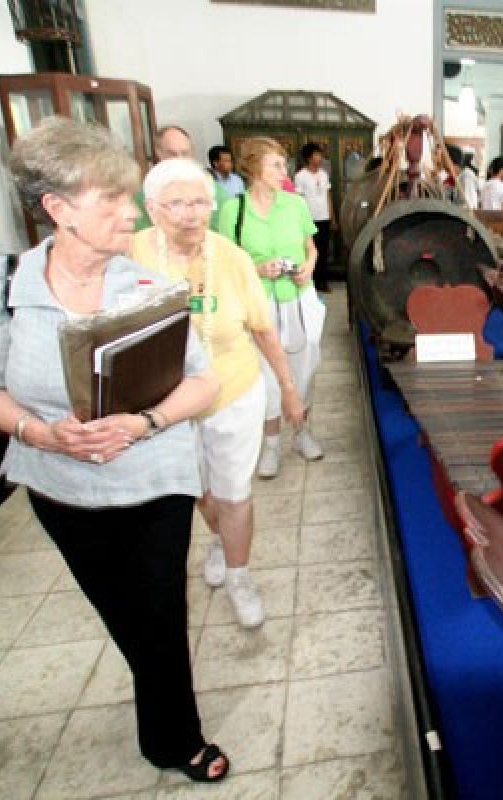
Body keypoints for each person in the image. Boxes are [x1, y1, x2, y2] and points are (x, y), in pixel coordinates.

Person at [0, 117, 229, 783]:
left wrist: (145, 422)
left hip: (153, 478)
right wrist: (39, 432)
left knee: (161, 610)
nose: (127, 210)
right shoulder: (3, 287)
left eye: (126, 195)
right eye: (107, 198)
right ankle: (162, 698)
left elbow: (205, 380)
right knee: (125, 614)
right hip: (61, 489)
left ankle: (175, 739)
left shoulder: (148, 288)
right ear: (57, 208)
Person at [132, 158, 304, 628]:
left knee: (234, 493)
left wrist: (289, 389)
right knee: (199, 492)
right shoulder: (130, 256)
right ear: (151, 208)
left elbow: (264, 331)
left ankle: (239, 574)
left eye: (200, 202)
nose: (191, 214)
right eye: (177, 204)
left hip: (232, 394)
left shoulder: (230, 257)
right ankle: (219, 540)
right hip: (163, 406)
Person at [217, 137, 325, 478]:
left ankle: (302, 432)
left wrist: (309, 266)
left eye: (284, 164)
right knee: (267, 375)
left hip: (299, 296)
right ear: (253, 168)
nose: (284, 171)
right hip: (259, 301)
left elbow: (311, 247)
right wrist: (259, 270)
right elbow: (227, 262)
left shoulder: (295, 205)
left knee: (304, 366)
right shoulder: (233, 210)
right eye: (276, 165)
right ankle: (272, 444)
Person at [134, 126, 228, 231]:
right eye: (172, 154)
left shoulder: (215, 191)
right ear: (158, 153)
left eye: (185, 153)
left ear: (192, 153)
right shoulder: (145, 195)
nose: (179, 159)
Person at [294, 142, 334, 292]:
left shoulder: (323, 174)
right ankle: (309, 280)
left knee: (323, 251)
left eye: (320, 154)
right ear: (309, 158)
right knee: (309, 251)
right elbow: (299, 199)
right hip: (309, 220)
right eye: (317, 155)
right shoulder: (300, 176)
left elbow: (327, 195)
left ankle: (322, 281)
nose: (320, 157)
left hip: (324, 218)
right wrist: (301, 220)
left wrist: (332, 216)